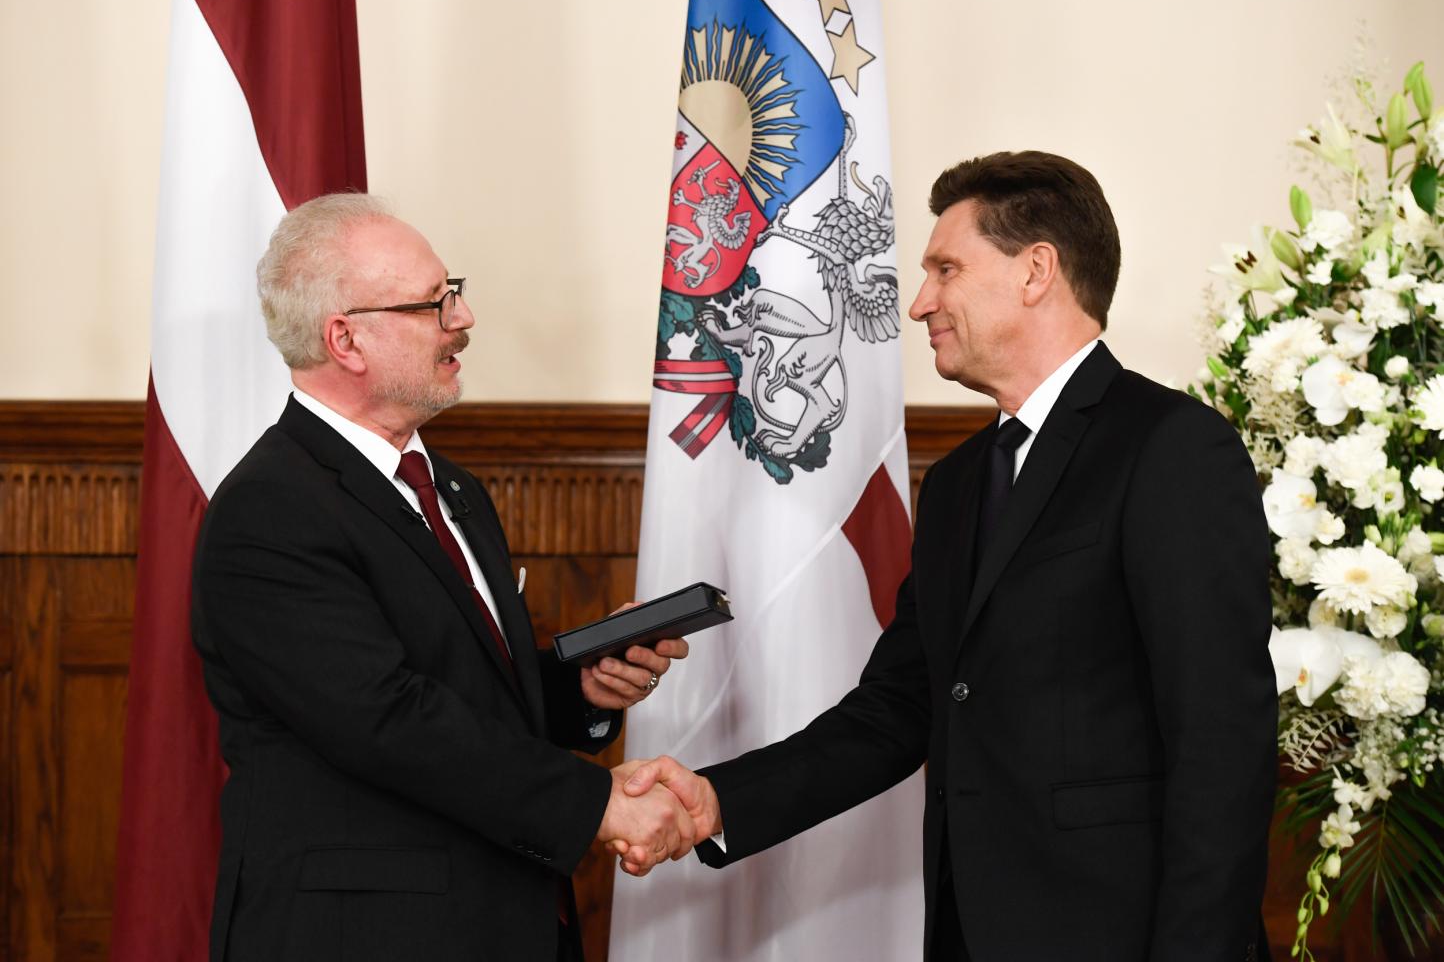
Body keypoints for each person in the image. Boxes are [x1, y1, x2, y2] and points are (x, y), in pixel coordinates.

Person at [617, 152, 1278, 961]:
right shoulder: (960, 482)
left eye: (946, 269)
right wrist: (718, 802)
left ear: (1036, 270)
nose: (919, 302)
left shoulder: (1171, 448)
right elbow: (900, 706)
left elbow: (1222, 742)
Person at [191, 193, 694, 962]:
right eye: (434, 303)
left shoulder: (452, 487)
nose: (463, 318)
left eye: (451, 291)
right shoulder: (269, 510)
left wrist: (582, 689)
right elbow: (388, 721)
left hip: (505, 919)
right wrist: (598, 805)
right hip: (364, 939)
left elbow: (467, 689)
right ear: (346, 339)